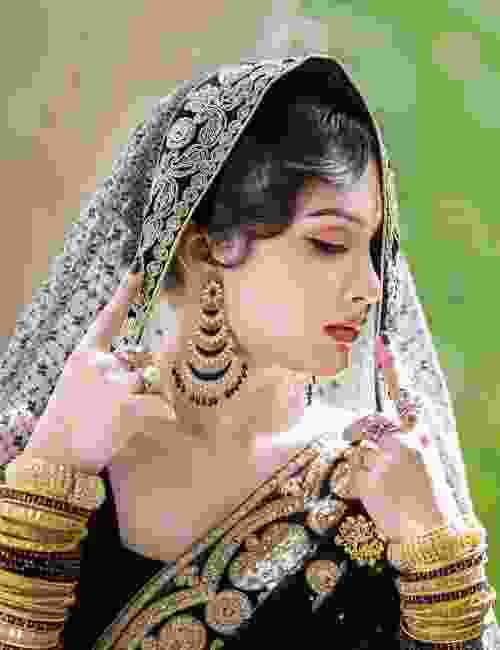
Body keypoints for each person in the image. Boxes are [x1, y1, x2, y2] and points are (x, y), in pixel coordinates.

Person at [0, 53, 497, 649]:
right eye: (329, 242)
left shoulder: (379, 491)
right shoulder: (54, 456)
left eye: (373, 248)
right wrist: (47, 487)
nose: (371, 286)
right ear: (203, 249)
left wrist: (434, 554)